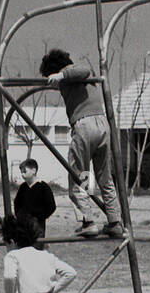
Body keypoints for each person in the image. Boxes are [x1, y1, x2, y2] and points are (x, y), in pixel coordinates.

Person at [39, 48, 123, 239]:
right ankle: (114, 221)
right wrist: (59, 78)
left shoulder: (73, 72)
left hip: (84, 125)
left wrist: (60, 75)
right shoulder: (73, 80)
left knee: (78, 174)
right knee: (103, 177)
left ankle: (88, 221)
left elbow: (83, 70)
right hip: (102, 125)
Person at [13, 159, 56, 237]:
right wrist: (19, 216)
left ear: (33, 170)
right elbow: (17, 203)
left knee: (37, 245)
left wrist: (40, 217)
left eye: (24, 171)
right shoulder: (23, 187)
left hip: (38, 225)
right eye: (21, 172)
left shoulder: (43, 187)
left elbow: (51, 206)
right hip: (23, 225)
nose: (22, 174)